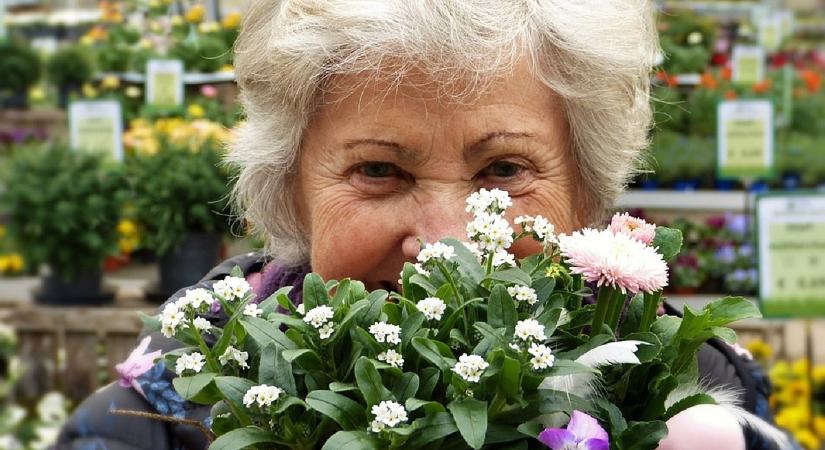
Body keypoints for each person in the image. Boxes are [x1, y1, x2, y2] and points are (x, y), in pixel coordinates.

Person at [55, 1, 788, 448]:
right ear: (289, 189)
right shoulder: (151, 426)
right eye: (379, 171)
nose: (444, 245)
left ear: (587, 193)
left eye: (502, 171)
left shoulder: (692, 411)